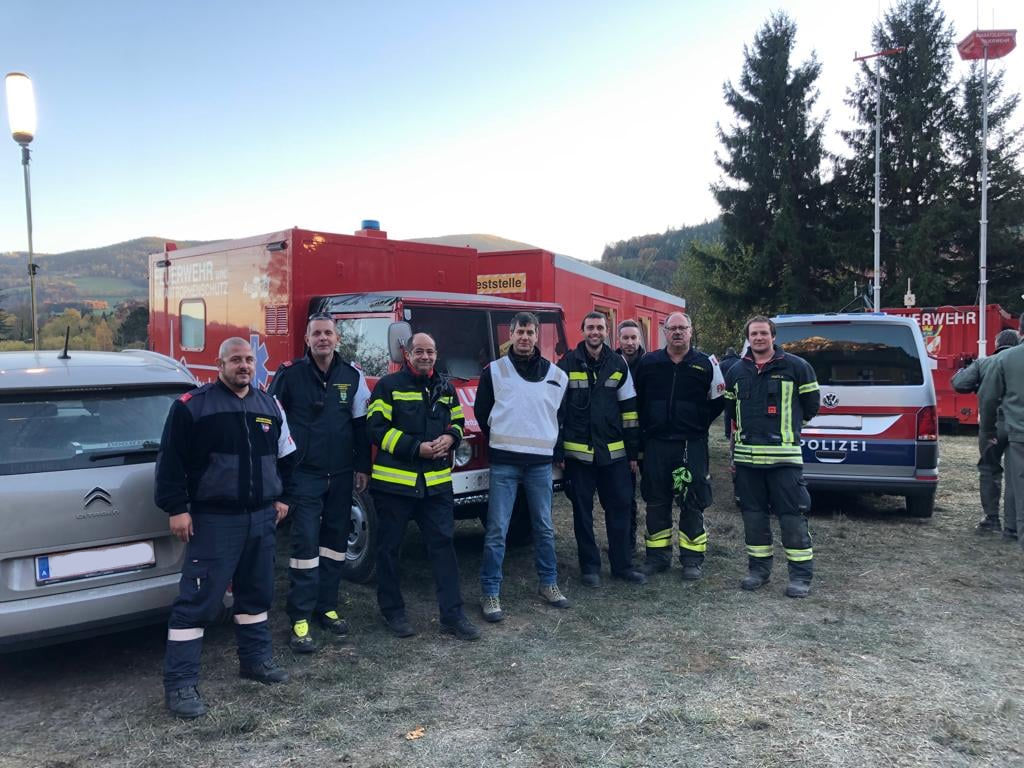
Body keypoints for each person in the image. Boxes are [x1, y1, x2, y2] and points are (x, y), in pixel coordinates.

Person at [156, 337, 295, 718]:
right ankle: (181, 685)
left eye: (249, 360)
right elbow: (170, 462)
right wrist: (176, 509)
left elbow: (288, 457)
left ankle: (255, 660)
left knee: (256, 593)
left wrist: (283, 498)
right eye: (236, 360)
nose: (244, 366)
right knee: (198, 601)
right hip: (214, 519)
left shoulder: (269, 405)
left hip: (261, 517)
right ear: (220, 364)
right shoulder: (193, 407)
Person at [268, 313, 372, 652]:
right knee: (305, 547)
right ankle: (300, 618)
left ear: (337, 339)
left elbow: (360, 425)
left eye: (329, 333)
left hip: (342, 476)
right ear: (307, 339)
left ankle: (326, 606)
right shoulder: (289, 376)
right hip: (305, 476)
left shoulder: (352, 376)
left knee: (335, 545)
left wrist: (362, 467)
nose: (323, 339)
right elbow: (272, 422)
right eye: (317, 334)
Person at [366, 332, 480, 640]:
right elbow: (376, 430)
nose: (425, 356)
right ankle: (393, 612)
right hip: (396, 487)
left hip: (436, 487)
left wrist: (451, 437)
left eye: (430, 351)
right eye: (419, 351)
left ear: (436, 354)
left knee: (444, 548)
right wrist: (415, 448)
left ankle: (453, 616)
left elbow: (457, 422)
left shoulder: (444, 388)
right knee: (389, 550)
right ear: (407, 353)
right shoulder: (389, 387)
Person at [473, 312, 570, 621]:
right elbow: (482, 411)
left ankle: (549, 583)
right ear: (510, 335)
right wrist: (501, 441)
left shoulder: (556, 375)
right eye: (519, 332)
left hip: (540, 465)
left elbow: (561, 417)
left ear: (537, 335)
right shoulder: (495, 372)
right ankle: (490, 592)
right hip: (504, 463)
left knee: (544, 527)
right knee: (497, 530)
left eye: (530, 332)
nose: (525, 337)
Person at [723, 316, 820, 598]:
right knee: (753, 518)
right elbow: (730, 415)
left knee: (792, 518)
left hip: (784, 461)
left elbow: (811, 407)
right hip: (747, 462)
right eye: (754, 334)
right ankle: (758, 571)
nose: (759, 338)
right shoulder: (736, 372)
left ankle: (800, 576)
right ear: (748, 337)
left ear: (773, 336)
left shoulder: (797, 367)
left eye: (764, 333)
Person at [633, 312, 725, 580]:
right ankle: (657, 557)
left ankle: (692, 559)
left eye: (682, 328)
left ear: (691, 331)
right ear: (663, 331)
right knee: (656, 500)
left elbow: (719, 399)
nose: (677, 333)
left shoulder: (706, 363)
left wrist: (697, 423)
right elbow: (637, 400)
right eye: (672, 328)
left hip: (691, 443)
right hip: (656, 444)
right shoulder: (649, 362)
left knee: (692, 499)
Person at [558, 311, 646, 586]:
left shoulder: (618, 363)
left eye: (600, 327)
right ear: (582, 330)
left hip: (614, 454)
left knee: (619, 508)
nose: (595, 332)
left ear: (607, 331)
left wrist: (633, 454)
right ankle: (590, 568)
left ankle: (622, 566)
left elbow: (629, 411)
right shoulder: (566, 364)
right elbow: (556, 411)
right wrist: (558, 451)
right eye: (590, 327)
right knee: (582, 513)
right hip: (578, 455)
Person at [952, 329, 1020, 536]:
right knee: (1015, 474)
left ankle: (991, 519)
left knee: (989, 468)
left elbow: (959, 383)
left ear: (996, 343)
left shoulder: (986, 362)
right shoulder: (1017, 361)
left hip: (993, 425)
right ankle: (1013, 527)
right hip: (1018, 424)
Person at [979, 334, 1024, 551]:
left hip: (1012, 430)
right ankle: (1011, 529)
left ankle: (1004, 525)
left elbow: (987, 397)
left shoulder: (1002, 359)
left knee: (1010, 478)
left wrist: (988, 430)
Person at [616, 319, 646, 550]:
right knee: (625, 497)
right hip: (622, 441)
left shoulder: (651, 364)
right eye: (625, 338)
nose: (629, 342)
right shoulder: (611, 364)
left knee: (654, 495)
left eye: (633, 338)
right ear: (618, 339)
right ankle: (628, 543)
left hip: (648, 440)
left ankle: (655, 546)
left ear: (640, 339)